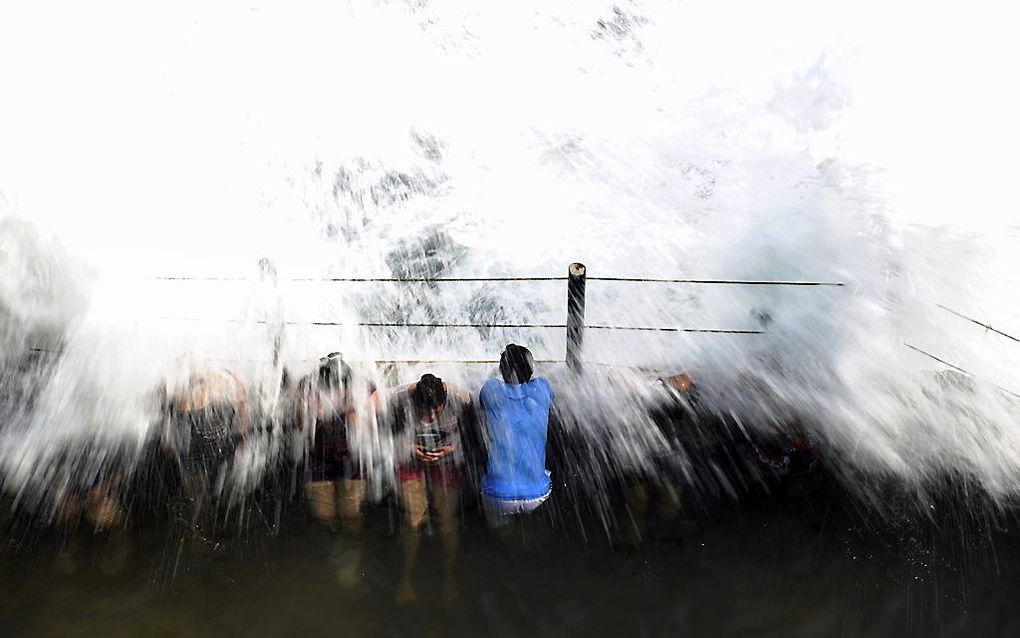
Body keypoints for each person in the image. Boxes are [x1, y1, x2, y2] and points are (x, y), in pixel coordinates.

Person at [376, 373, 474, 604]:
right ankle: (406, 578)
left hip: (446, 460)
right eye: (424, 412)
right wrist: (409, 447)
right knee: (413, 518)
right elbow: (383, 432)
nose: (430, 417)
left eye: (436, 411)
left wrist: (452, 448)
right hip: (411, 459)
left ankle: (449, 577)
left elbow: (471, 432)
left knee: (446, 520)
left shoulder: (459, 399)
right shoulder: (401, 399)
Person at [162, 364, 251, 535]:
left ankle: (203, 524)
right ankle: (204, 525)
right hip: (203, 436)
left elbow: (242, 407)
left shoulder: (226, 380)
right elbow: (242, 408)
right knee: (202, 490)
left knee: (203, 491)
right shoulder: (226, 380)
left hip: (209, 435)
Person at [292, 352, 370, 534]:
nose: (336, 390)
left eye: (340, 386)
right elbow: (298, 426)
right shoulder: (307, 387)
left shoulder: (361, 387)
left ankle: (354, 543)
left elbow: (367, 432)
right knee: (323, 516)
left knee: (351, 514)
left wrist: (354, 413)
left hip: (351, 456)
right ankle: (333, 544)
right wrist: (310, 412)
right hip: (318, 456)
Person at [478, 344, 554, 528]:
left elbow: (481, 406)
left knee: (502, 534)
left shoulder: (491, 390)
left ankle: (505, 544)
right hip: (537, 495)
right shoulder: (543, 388)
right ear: (530, 369)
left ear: (502, 370)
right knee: (545, 475)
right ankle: (529, 537)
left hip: (498, 495)